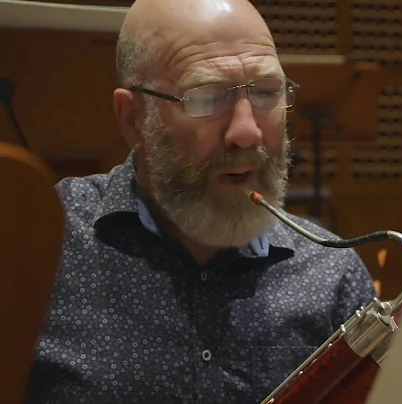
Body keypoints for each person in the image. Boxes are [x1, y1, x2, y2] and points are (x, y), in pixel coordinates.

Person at [23, 0, 378, 402]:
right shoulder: (38, 241)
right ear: (133, 118)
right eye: (207, 98)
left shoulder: (333, 276)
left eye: (267, 93)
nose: (246, 132)